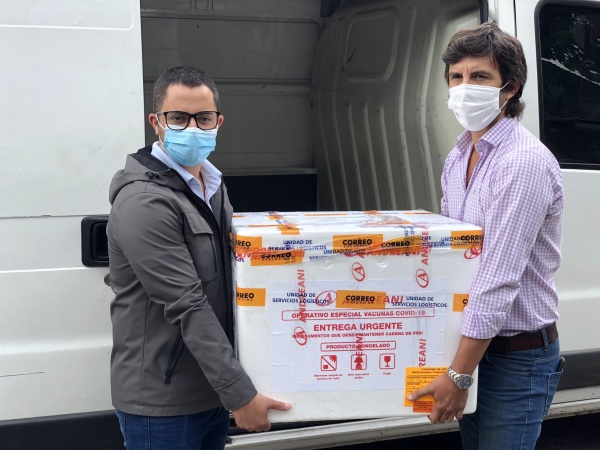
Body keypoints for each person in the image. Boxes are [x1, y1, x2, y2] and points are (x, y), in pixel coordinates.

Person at [107, 66, 291, 449]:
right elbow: (187, 304)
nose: (192, 127)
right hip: (164, 402)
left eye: (203, 118)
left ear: (218, 123)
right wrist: (240, 394)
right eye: (179, 117)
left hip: (209, 391)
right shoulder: (145, 202)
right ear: (157, 123)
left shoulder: (211, 184)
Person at [407, 23, 564, 450]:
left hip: (516, 359)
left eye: (479, 77)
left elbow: (497, 279)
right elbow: (455, 256)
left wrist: (459, 374)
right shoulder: (460, 156)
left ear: (509, 88)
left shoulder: (522, 163)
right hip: (475, 349)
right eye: (456, 77)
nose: (464, 88)